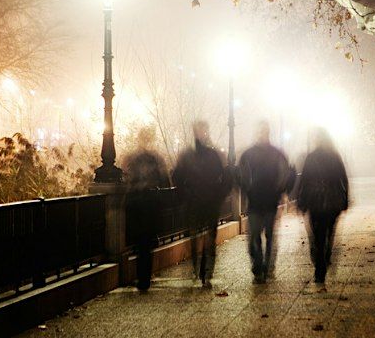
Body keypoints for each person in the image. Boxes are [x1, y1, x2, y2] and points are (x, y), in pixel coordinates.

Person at [172, 121, 231, 288]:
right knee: (199, 238)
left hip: (206, 203)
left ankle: (204, 271)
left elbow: (225, 178)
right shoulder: (198, 155)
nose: (201, 133)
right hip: (198, 203)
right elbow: (177, 176)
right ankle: (199, 268)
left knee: (207, 238)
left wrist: (217, 196)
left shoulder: (204, 155)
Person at [238, 121, 291, 283]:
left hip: (269, 202)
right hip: (255, 202)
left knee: (269, 236)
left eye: (264, 131)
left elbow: (285, 175)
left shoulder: (276, 153)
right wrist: (248, 188)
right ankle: (259, 265)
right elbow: (241, 175)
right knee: (255, 235)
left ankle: (266, 266)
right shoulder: (249, 154)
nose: (262, 134)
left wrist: (279, 191)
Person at [296, 128, 349, 286]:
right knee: (328, 232)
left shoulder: (311, 157)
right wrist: (345, 199)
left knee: (318, 235)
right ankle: (324, 257)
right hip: (332, 201)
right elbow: (343, 179)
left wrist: (301, 201)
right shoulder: (334, 156)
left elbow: (304, 180)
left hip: (316, 201)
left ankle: (320, 268)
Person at [122, 127, 171, 291]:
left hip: (136, 205)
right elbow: (166, 181)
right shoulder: (156, 159)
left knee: (140, 243)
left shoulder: (131, 158)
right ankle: (145, 278)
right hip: (150, 206)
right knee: (146, 244)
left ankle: (141, 277)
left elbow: (126, 179)